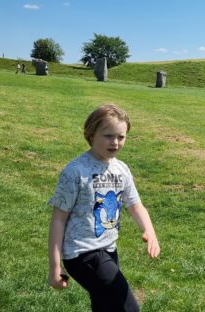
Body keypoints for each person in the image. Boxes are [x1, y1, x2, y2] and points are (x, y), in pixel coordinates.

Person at [48, 104, 160, 312]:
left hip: (108, 250)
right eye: (108, 136)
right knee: (128, 307)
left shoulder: (121, 169)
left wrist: (149, 231)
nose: (115, 142)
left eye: (121, 137)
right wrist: (55, 267)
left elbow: (135, 205)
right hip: (82, 253)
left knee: (105, 307)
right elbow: (58, 219)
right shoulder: (75, 171)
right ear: (91, 134)